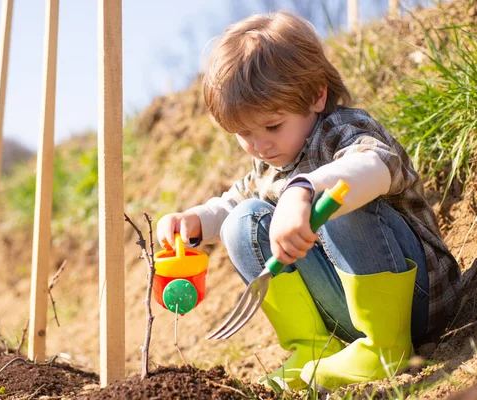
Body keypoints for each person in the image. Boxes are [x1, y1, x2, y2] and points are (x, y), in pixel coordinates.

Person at [156, 11, 462, 392]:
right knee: (243, 219)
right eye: (242, 133)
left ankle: (386, 347)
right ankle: (313, 346)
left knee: (338, 199)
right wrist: (195, 221)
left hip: (421, 300)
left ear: (317, 95)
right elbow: (233, 202)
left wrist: (303, 190)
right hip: (350, 312)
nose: (259, 145)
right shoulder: (270, 162)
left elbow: (378, 164)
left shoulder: (342, 131)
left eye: (272, 126)